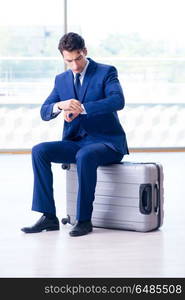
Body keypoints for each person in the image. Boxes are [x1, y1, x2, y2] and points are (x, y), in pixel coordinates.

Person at [21, 32, 129, 237]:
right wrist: (59, 105)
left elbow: (118, 101)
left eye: (78, 58)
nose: (75, 65)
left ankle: (84, 219)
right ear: (63, 57)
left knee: (85, 155)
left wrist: (84, 108)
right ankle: (49, 217)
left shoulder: (106, 72)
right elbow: (45, 112)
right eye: (68, 61)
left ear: (85, 52)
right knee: (39, 151)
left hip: (107, 143)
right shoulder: (61, 80)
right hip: (77, 142)